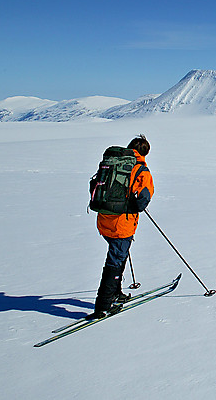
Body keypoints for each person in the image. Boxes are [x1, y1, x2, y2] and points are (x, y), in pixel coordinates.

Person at [87, 134, 154, 319]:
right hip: (122, 224)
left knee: (118, 255)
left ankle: (116, 294)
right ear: (145, 153)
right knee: (115, 261)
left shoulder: (114, 163)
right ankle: (103, 306)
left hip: (104, 219)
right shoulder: (141, 171)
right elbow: (142, 202)